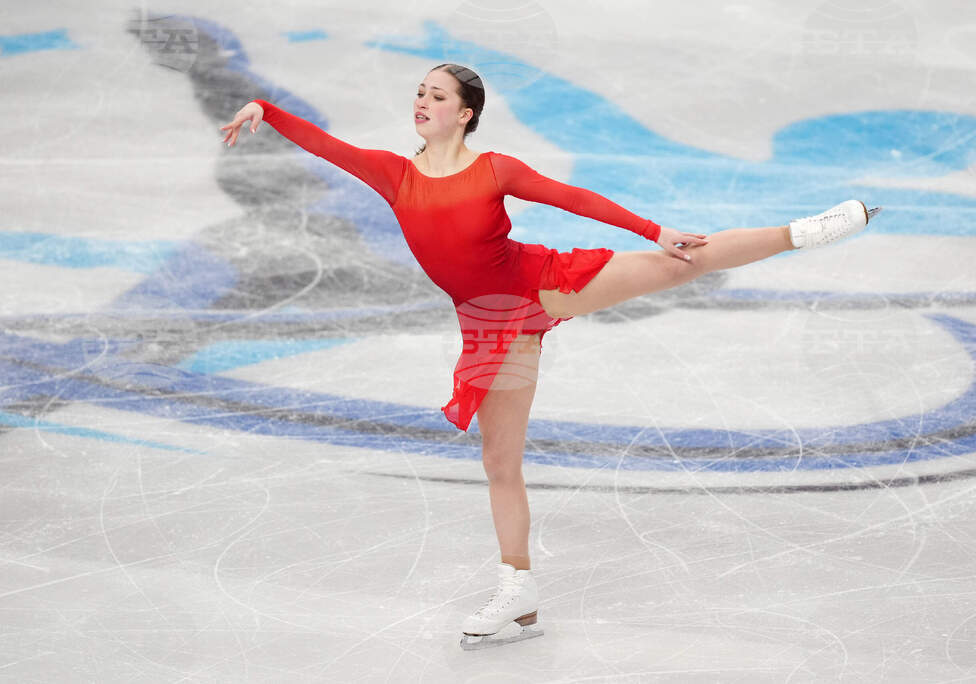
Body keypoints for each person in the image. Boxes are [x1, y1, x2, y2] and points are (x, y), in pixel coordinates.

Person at [220, 63, 879, 649]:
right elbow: (328, 147)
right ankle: (519, 592)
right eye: (419, 93)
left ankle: (805, 231)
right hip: (487, 324)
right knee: (498, 460)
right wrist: (266, 111)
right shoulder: (395, 175)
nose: (422, 103)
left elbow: (573, 199)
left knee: (680, 265)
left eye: (437, 95)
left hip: (541, 284)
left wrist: (656, 231)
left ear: (466, 112)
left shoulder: (493, 169)